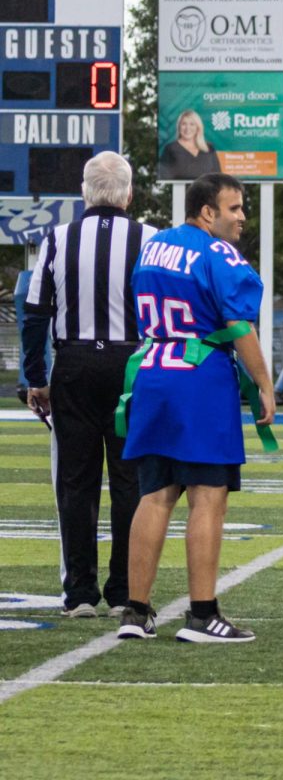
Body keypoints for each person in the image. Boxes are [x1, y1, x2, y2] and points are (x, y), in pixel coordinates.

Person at [117, 171, 275, 644]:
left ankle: (135, 610)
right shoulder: (218, 252)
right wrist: (265, 384)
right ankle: (203, 615)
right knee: (209, 495)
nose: (242, 217)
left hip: (152, 371)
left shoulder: (154, 245)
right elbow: (238, 323)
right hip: (199, 377)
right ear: (208, 211)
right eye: (235, 208)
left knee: (155, 493)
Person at [22, 152, 157, 617]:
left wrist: (36, 379)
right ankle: (123, 589)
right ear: (129, 193)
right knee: (129, 481)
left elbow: (35, 311)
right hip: (132, 365)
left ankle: (80, 592)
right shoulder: (150, 239)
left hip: (75, 363)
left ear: (84, 193)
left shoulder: (58, 238)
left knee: (75, 483)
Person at [158, 109, 222, 180]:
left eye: (192, 124)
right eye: (184, 124)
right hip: (180, 190)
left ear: (198, 127)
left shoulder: (209, 148)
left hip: (208, 190)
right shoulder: (170, 148)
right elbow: (163, 176)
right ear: (179, 126)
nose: (187, 128)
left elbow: (218, 176)